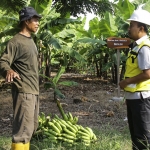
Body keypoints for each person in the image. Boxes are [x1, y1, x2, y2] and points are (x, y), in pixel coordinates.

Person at [0, 7, 42, 150]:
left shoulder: (31, 40)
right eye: (35, 20)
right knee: (23, 131)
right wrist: (8, 70)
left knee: (30, 128)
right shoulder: (15, 42)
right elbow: (3, 61)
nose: (38, 23)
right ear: (26, 21)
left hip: (33, 90)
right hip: (23, 90)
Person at [119, 6, 150, 150]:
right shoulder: (136, 46)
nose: (129, 28)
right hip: (133, 98)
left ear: (141, 28)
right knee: (135, 135)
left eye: (132, 25)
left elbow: (147, 73)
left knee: (143, 136)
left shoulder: (144, 48)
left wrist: (126, 82)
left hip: (141, 99)